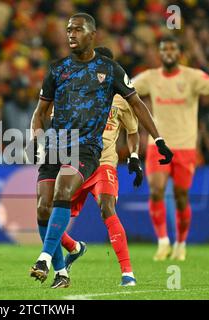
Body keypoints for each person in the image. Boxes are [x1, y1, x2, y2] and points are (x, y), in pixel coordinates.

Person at [28, 13, 173, 289]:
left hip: (87, 150)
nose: (71, 34)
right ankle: (62, 272)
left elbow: (138, 105)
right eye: (68, 30)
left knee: (66, 193)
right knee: (42, 208)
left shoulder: (111, 70)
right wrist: (38, 138)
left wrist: (158, 140)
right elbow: (40, 113)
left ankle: (46, 257)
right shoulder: (58, 70)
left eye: (77, 30)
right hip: (56, 147)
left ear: (92, 34)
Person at [132, 35, 209, 261]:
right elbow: (125, 86)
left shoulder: (192, 77)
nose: (168, 53)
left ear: (180, 53)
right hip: (160, 145)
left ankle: (181, 243)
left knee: (181, 195)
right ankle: (163, 242)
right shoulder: (151, 77)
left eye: (172, 49)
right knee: (156, 190)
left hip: (185, 147)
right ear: (160, 54)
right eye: (164, 50)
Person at [55, 47, 142, 287]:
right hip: (77, 162)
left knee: (107, 207)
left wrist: (133, 156)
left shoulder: (121, 99)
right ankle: (74, 248)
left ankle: (127, 273)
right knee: (49, 214)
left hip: (104, 164)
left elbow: (133, 132)